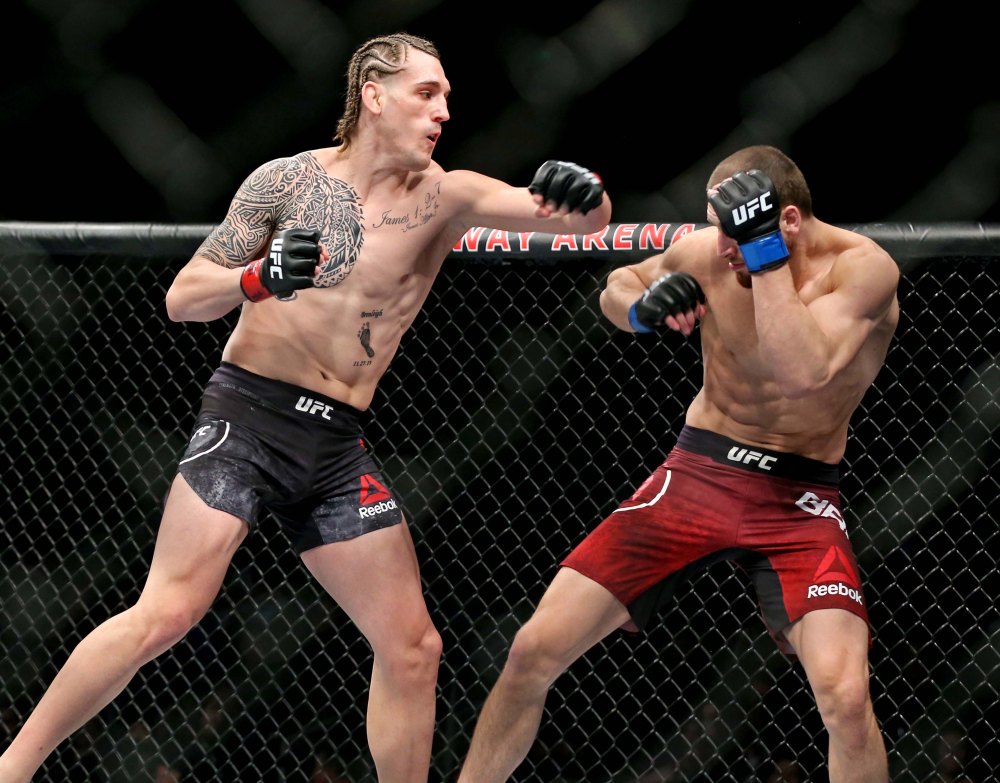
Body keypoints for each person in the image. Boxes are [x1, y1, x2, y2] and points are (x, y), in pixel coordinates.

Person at [0, 32, 610, 783]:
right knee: (168, 612)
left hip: (335, 447)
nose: (444, 112)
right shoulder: (286, 181)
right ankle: (12, 769)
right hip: (247, 422)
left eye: (448, 97)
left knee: (413, 647)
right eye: (427, 93)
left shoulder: (447, 195)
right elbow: (183, 299)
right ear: (374, 95)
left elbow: (579, 222)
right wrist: (258, 278)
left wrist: (587, 191)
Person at [457, 145, 896, 783]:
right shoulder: (709, 252)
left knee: (847, 699)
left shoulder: (862, 270)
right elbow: (617, 286)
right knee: (531, 649)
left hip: (798, 498)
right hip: (698, 473)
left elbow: (802, 372)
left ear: (788, 221)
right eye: (715, 228)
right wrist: (643, 307)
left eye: (734, 231)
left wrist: (764, 255)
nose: (720, 247)